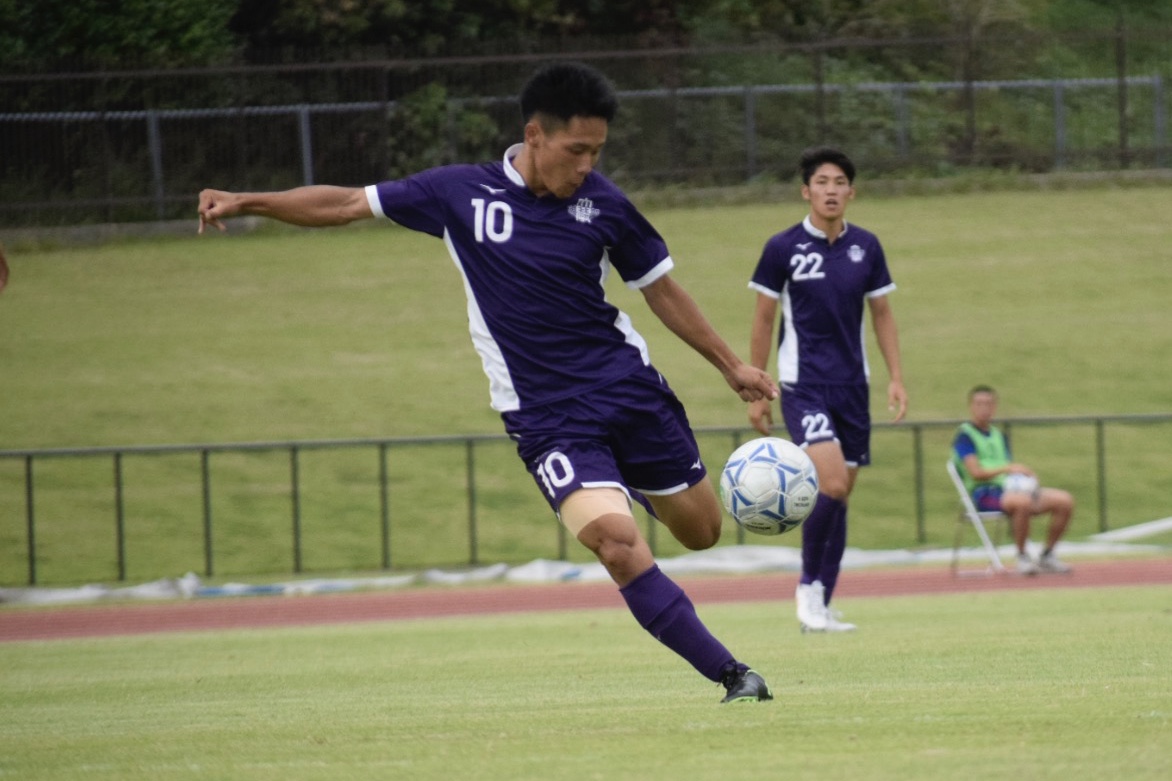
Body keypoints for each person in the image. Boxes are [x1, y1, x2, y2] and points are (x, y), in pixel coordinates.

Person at [198, 62, 777, 703]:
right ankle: (733, 676)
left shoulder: (605, 205)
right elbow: (343, 203)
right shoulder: (457, 194)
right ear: (534, 136)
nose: (587, 165)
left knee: (702, 532)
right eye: (576, 150)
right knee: (617, 545)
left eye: (597, 152)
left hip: (628, 392)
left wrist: (732, 367)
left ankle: (621, 480)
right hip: (548, 419)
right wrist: (248, 201)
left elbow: (661, 291)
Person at [746, 146, 908, 633]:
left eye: (839, 182)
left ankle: (823, 600)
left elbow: (882, 314)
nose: (831, 190)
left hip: (853, 387)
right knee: (830, 483)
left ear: (851, 192)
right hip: (803, 384)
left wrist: (896, 376)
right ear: (806, 191)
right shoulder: (782, 247)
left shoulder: (867, 247)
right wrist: (756, 386)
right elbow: (763, 317)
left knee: (840, 497)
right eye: (822, 182)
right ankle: (806, 591)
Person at [951, 385, 1074, 575]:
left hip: (1010, 489)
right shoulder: (965, 436)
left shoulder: (999, 436)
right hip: (984, 493)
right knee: (1022, 503)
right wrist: (1009, 468)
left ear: (995, 407)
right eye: (979, 404)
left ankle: (1047, 555)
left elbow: (1009, 471)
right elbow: (976, 472)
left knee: (1064, 501)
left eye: (988, 404)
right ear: (971, 406)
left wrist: (1025, 479)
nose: (984, 408)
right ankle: (1022, 557)